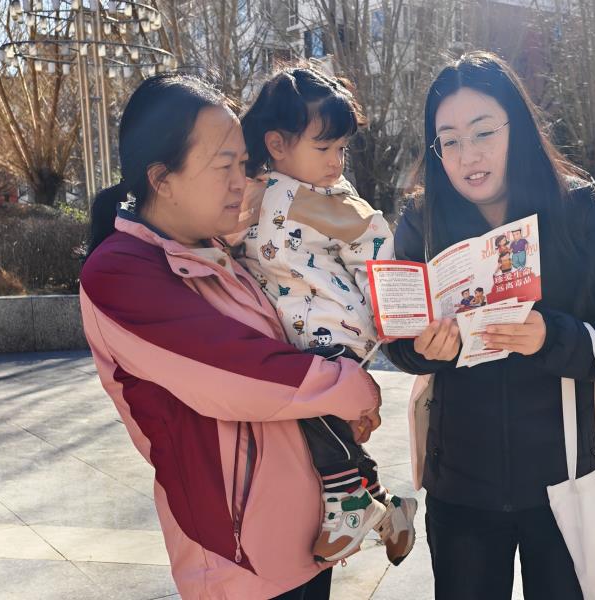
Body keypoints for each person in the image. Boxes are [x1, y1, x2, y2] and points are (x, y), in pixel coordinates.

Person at [80, 73, 382, 600]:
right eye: (224, 166)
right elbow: (238, 374)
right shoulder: (121, 272)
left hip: (306, 536)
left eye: (243, 164)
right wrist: (350, 387)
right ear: (162, 178)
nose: (242, 182)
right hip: (238, 557)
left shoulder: (226, 253)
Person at [383, 51, 595, 600]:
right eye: (449, 140)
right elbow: (397, 337)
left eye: (484, 132)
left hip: (567, 481)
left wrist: (552, 337)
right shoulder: (422, 218)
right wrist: (426, 349)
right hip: (461, 488)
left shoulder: (576, 206)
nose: (469, 155)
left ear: (518, 128)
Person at [238, 66, 417, 566]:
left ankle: (347, 502)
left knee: (313, 410)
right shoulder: (256, 189)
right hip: (298, 334)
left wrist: (391, 311)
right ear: (276, 143)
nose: (336, 162)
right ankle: (386, 507)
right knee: (320, 422)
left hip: (334, 329)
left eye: (341, 149)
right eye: (324, 148)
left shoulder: (322, 199)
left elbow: (373, 243)